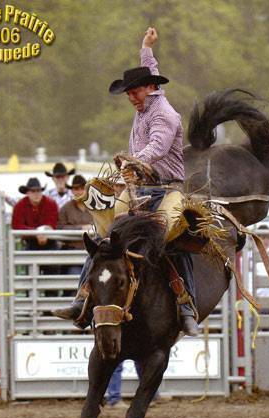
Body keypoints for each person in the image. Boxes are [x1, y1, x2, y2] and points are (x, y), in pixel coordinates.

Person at [53, 27, 198, 336]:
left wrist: (133, 162)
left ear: (148, 89)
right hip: (139, 189)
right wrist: (146, 47)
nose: (130, 98)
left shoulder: (165, 115)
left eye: (134, 92)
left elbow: (157, 148)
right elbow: (152, 68)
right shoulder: (149, 101)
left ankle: (186, 306)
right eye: (129, 93)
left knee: (171, 233)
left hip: (168, 189)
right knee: (104, 237)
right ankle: (82, 300)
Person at [12, 178, 59, 301]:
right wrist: (36, 232)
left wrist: (43, 232)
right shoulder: (20, 205)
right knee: (30, 278)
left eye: (38, 190)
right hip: (31, 242)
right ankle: (30, 307)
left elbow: (52, 223)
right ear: (27, 192)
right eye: (33, 191)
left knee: (52, 276)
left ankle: (49, 307)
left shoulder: (51, 203)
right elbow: (16, 226)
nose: (36, 193)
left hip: (49, 242)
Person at [58, 175, 93, 295]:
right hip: (72, 254)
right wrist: (81, 228)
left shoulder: (95, 207)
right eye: (76, 189)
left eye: (82, 188)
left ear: (86, 189)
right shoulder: (65, 209)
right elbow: (60, 229)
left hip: (92, 254)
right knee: (74, 279)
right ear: (72, 191)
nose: (79, 192)